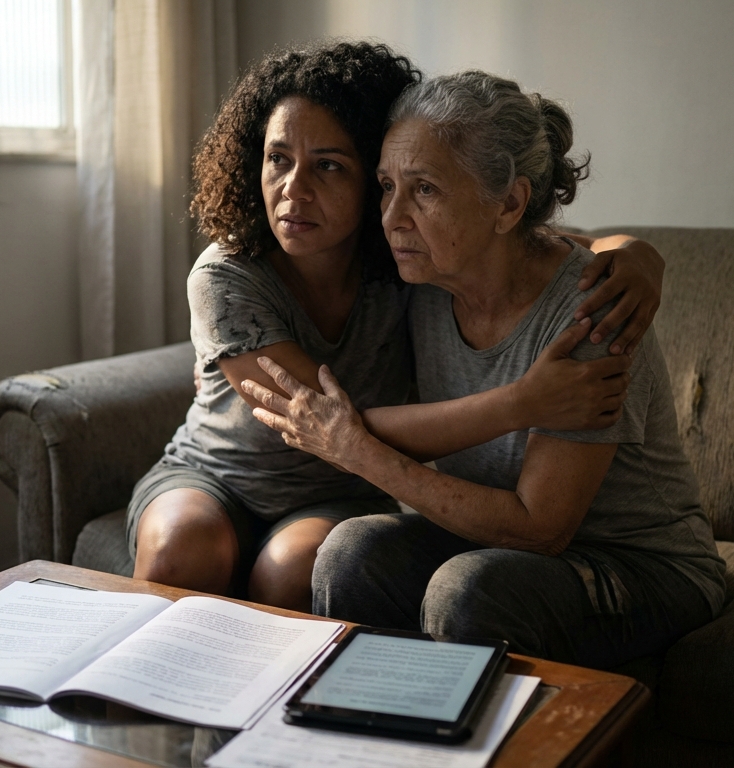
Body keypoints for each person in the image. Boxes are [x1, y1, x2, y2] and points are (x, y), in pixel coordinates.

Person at [130, 43, 668, 613]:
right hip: (216, 475)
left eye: (330, 166)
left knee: (295, 571)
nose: (293, 188)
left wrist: (635, 253)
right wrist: (522, 404)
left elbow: (527, 243)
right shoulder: (229, 276)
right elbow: (324, 422)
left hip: (337, 494)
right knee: (179, 551)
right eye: (277, 158)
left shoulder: (406, 261)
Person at [244, 70, 725, 667]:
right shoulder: (420, 276)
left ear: (510, 204)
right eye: (387, 186)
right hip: (492, 546)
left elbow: (540, 528)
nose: (392, 217)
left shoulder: (590, 317)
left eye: (424, 190)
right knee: (349, 550)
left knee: (466, 590)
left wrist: (357, 450)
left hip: (636, 568)